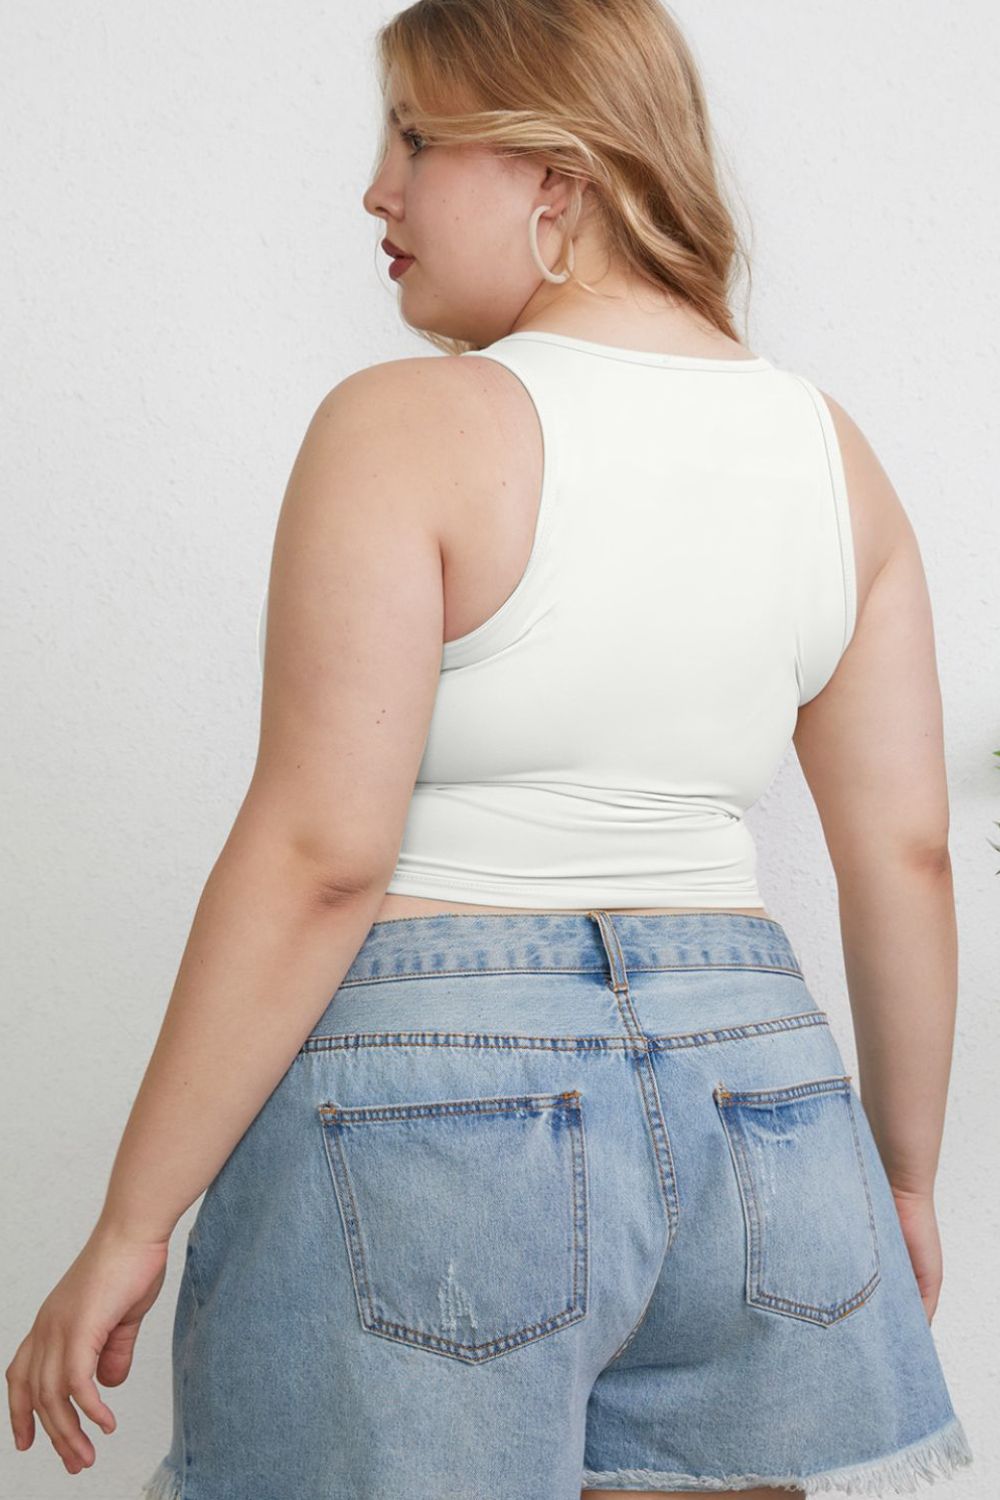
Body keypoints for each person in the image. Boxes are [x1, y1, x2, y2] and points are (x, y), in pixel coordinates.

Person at [6, 1, 975, 1496]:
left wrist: (135, 1219)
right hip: (771, 1118)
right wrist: (902, 1176)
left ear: (559, 178)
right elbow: (904, 856)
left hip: (435, 1121)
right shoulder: (829, 451)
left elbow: (325, 856)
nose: (374, 192)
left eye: (413, 137)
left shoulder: (409, 426)